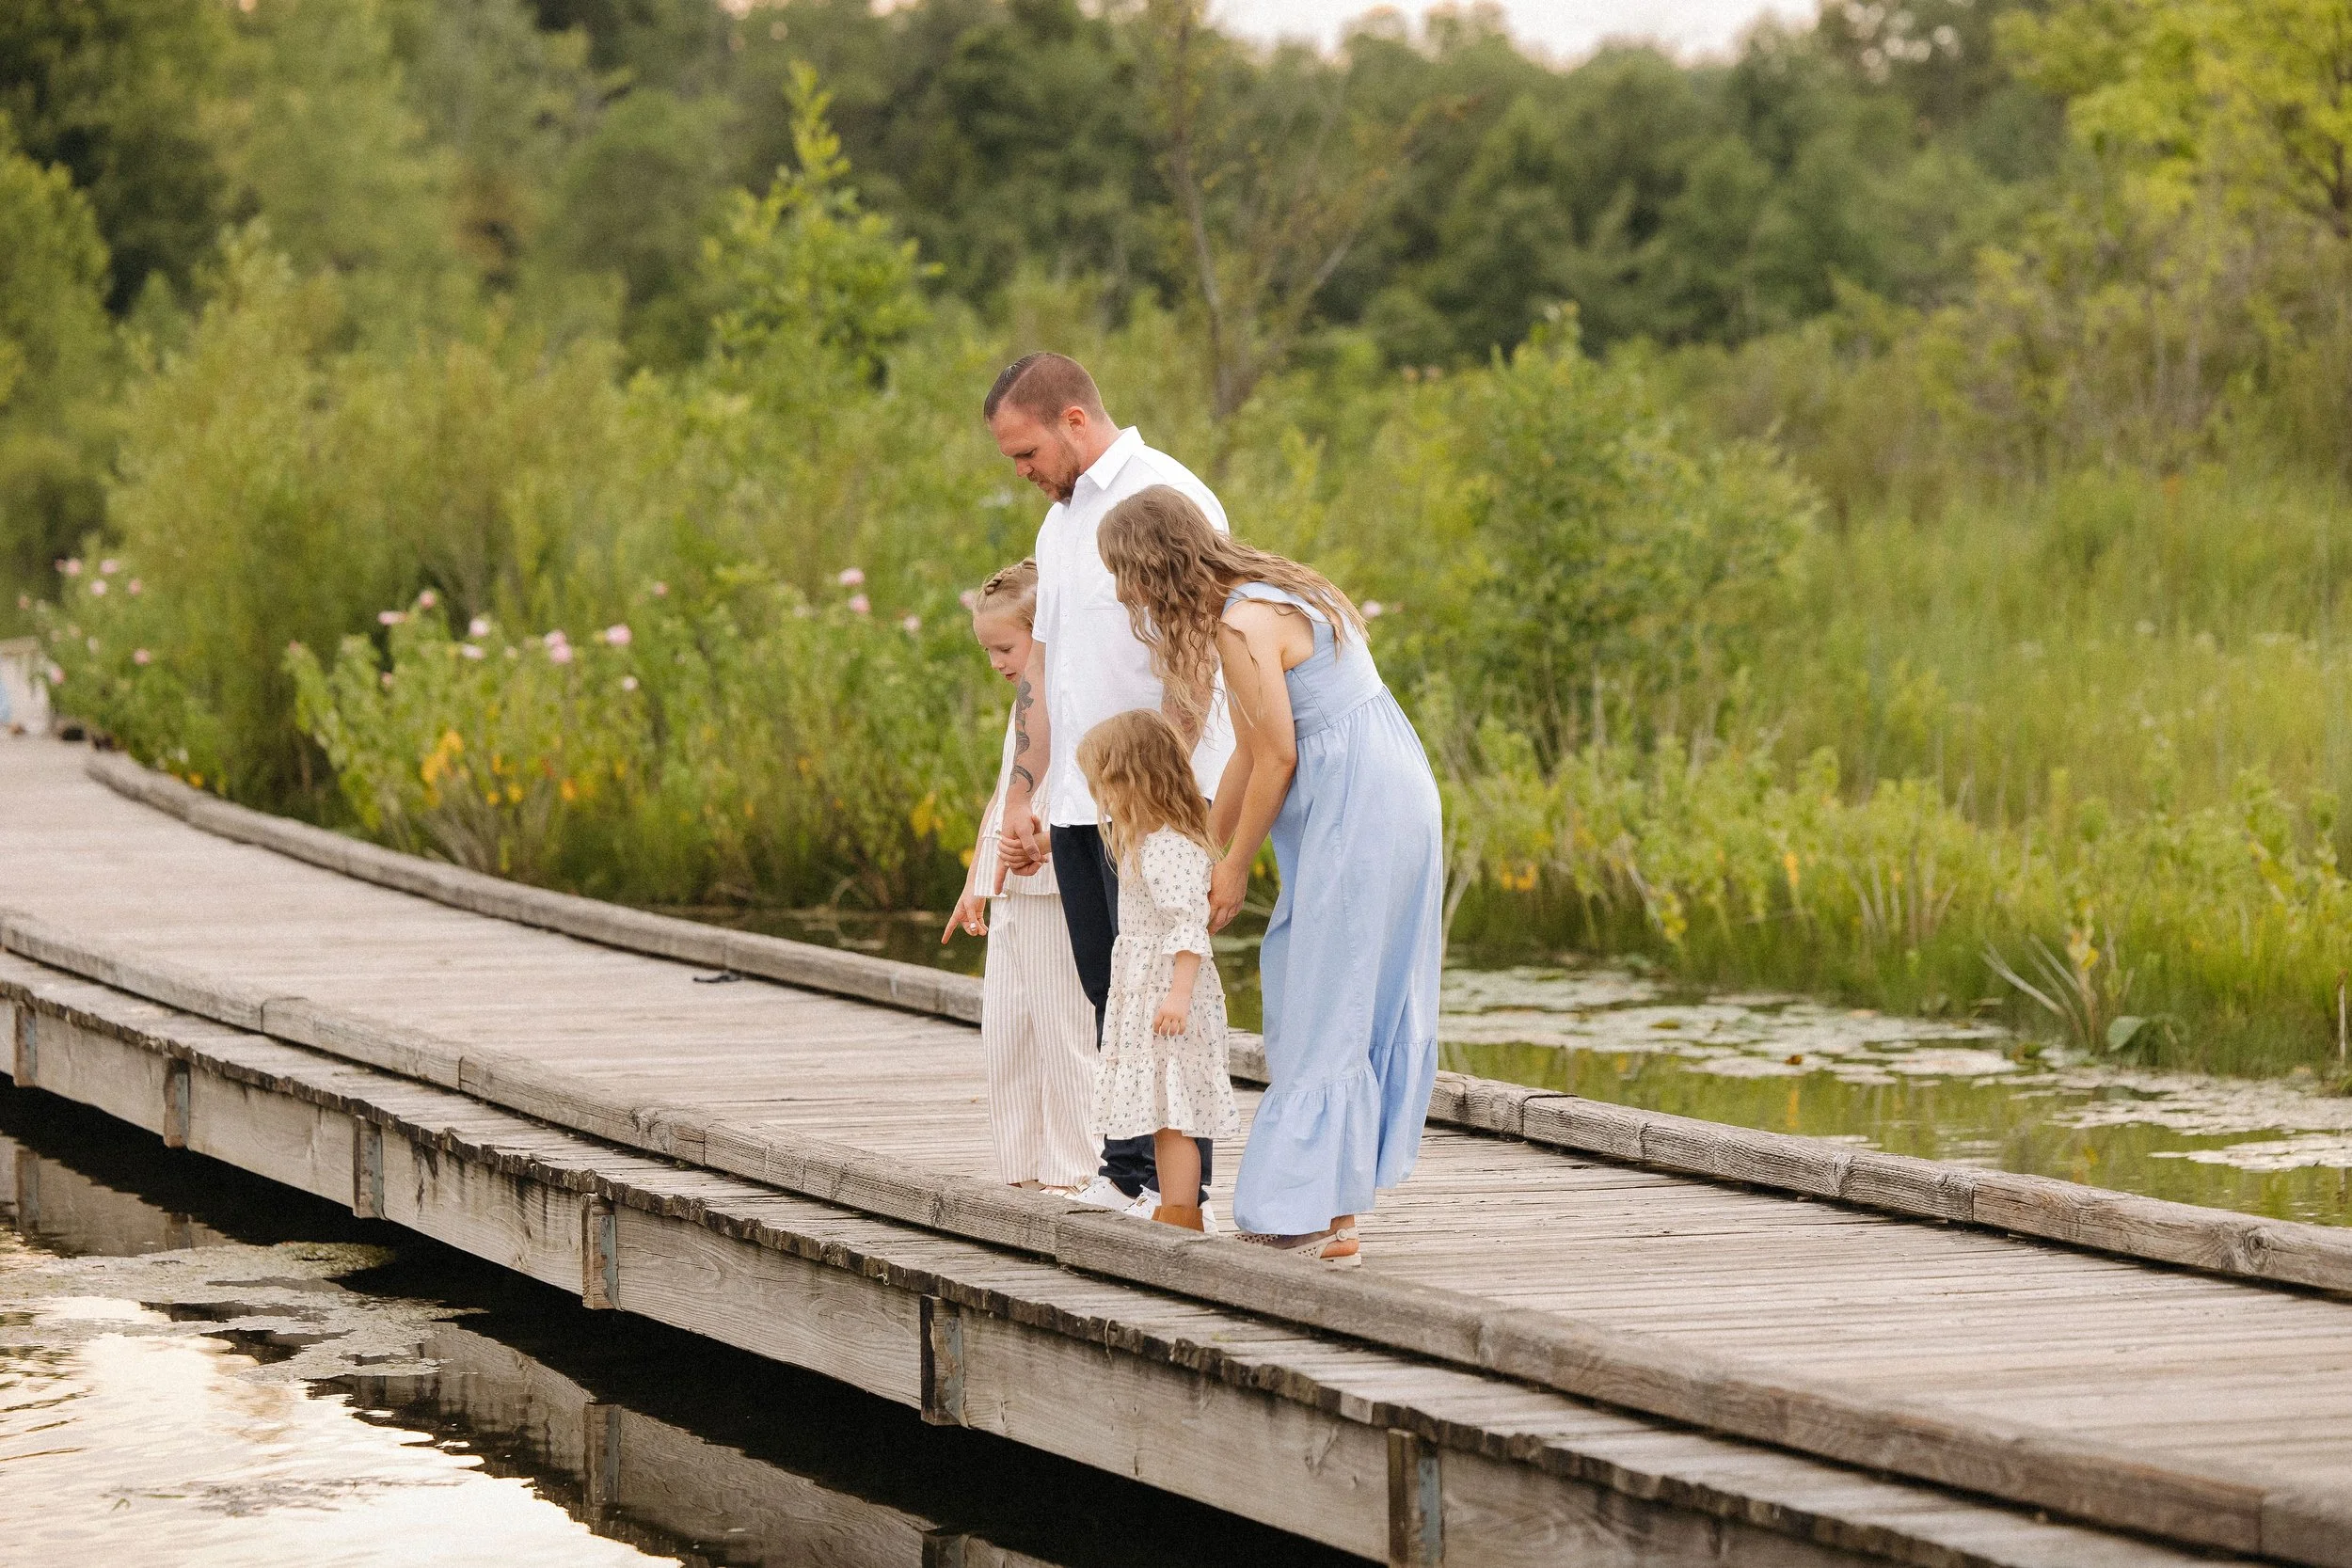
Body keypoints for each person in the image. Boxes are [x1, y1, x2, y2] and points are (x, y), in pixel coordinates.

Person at [1099, 484, 1443, 1269]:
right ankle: (1330, 1211)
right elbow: (1253, 750)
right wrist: (1200, 848)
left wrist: (1235, 868)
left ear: (1158, 566)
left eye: (1126, 574)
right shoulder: (1277, 591)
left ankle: (1318, 1216)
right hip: (1385, 794)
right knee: (1332, 987)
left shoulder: (1241, 623)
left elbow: (1280, 756)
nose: (1124, 594)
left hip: (1358, 808)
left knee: (1324, 992)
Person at [984, 353, 1234, 1216]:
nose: (1022, 473)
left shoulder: (1169, 496)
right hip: (1082, 799)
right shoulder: (1058, 527)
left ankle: (1176, 1185)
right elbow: (1045, 672)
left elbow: (1198, 658)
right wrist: (1028, 793)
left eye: (1027, 453)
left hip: (1158, 802)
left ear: (1074, 421)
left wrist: (1167, 797)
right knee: (1107, 986)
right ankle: (1123, 1166)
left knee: (1167, 988)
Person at [943, 561, 1100, 1192]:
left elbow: (1070, 795)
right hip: (1010, 890)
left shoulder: (1071, 699)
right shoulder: (1026, 706)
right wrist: (976, 879)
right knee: (1007, 1033)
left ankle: (1078, 1168)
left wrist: (1035, 845)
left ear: (1042, 633)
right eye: (987, 651)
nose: (997, 662)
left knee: (1063, 1031)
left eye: (1005, 647)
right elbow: (1008, 789)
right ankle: (1025, 1168)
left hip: (1054, 885)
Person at [1072, 710, 1238, 1231]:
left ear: (1131, 781)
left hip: (1167, 993)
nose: (1101, 801)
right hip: (1146, 989)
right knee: (1163, 1112)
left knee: (1176, 1112)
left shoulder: (1168, 847)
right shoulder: (1142, 843)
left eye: (1104, 786)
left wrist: (1177, 997)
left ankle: (1183, 1213)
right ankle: (1173, 1209)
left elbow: (1189, 927)